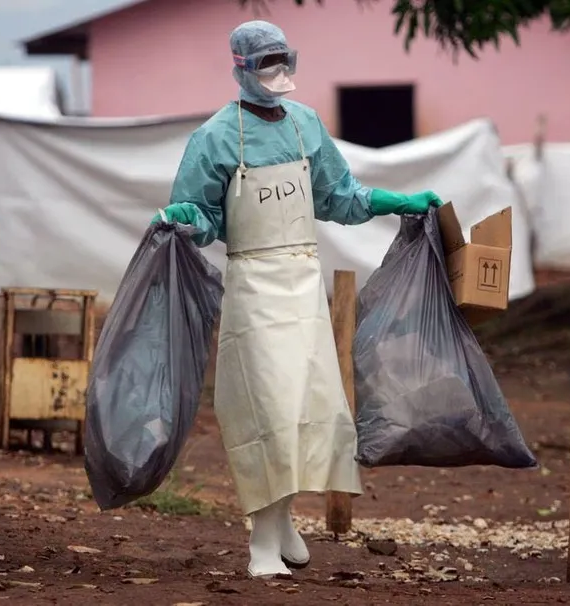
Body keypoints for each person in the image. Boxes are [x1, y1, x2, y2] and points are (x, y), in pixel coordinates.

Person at [151, 20, 442, 579]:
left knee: (307, 405)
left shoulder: (305, 123)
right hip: (254, 286)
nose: (276, 71)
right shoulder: (215, 136)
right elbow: (203, 217)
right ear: (240, 68)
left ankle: (281, 519)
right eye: (265, 62)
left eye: (282, 59)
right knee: (266, 406)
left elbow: (339, 197)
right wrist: (188, 217)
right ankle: (261, 539)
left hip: (303, 283)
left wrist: (394, 201)